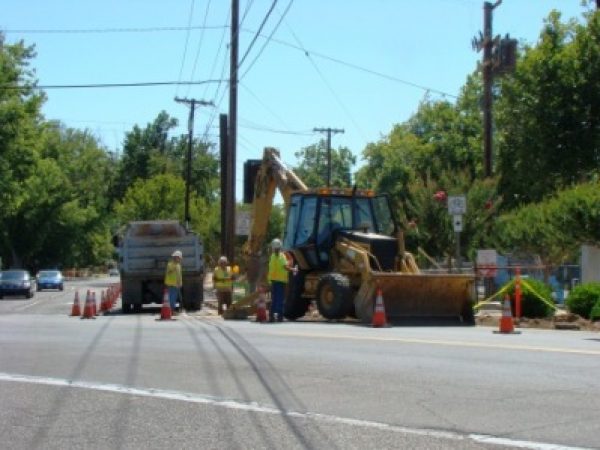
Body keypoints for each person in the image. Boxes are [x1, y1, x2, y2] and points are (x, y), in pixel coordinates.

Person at [268, 238, 295, 322]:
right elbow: (285, 267)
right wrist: (293, 269)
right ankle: (280, 316)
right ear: (280, 247)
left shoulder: (272, 256)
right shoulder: (281, 256)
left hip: (273, 280)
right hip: (280, 281)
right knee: (280, 298)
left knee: (274, 298)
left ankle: (271, 316)